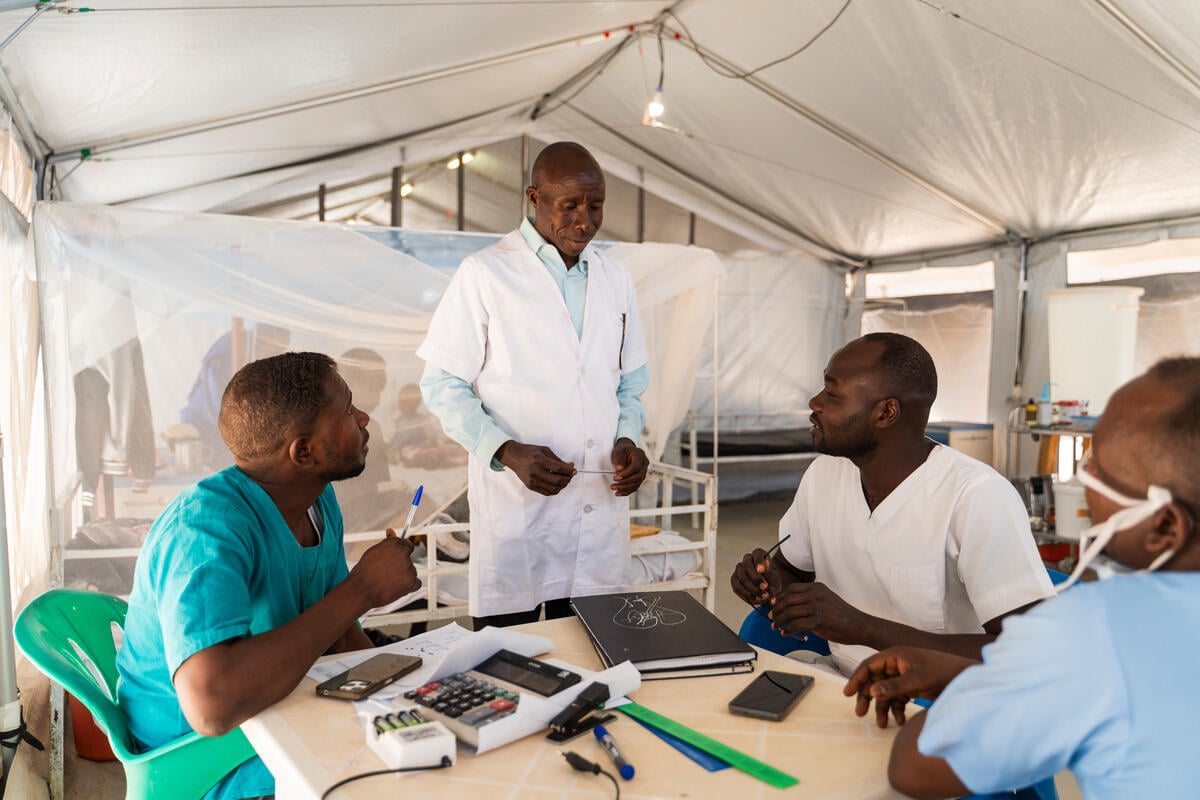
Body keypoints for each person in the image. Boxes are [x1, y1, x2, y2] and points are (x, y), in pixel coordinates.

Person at [844, 357, 1200, 799]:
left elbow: (918, 767)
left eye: (1101, 470)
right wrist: (988, 671)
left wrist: (988, 683)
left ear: (1165, 526)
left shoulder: (1093, 628)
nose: (1086, 481)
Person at [117, 352, 421, 800]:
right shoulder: (203, 532)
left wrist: (402, 700)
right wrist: (364, 589)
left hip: (272, 711)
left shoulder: (318, 501)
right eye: (347, 411)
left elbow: (339, 633)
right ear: (304, 451)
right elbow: (211, 708)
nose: (363, 418)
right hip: (202, 758)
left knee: (423, 750)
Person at [417, 141, 650, 628]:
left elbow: (629, 383)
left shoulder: (615, 278)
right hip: (519, 507)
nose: (584, 221)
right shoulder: (485, 273)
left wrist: (628, 436)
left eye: (596, 204)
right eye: (569, 206)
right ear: (534, 198)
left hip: (597, 500)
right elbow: (442, 384)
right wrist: (505, 450)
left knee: (595, 653)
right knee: (511, 663)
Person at [730, 333, 1053, 676]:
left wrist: (862, 627)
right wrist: (767, 583)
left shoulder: (975, 497)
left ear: (886, 412)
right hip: (841, 681)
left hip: (940, 698)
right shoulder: (825, 473)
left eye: (833, 394)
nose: (815, 402)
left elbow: (1030, 650)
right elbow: (792, 571)